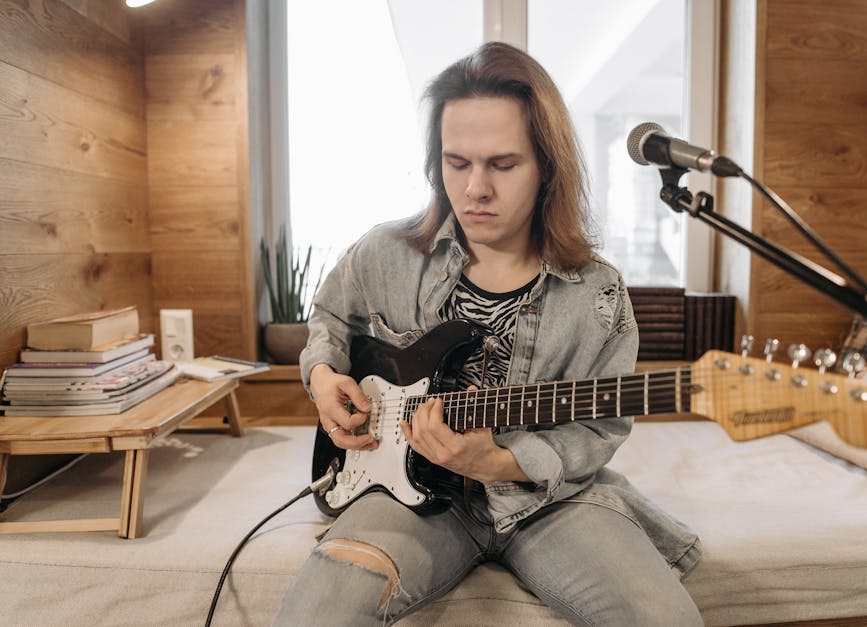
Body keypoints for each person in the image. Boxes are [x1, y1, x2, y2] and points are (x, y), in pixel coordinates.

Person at [275, 42, 702, 626]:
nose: (476, 188)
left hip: (547, 502)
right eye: (457, 163)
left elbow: (601, 426)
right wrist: (324, 378)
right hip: (408, 497)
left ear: (547, 165)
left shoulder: (598, 294)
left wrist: (500, 461)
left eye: (502, 165)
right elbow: (329, 318)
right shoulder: (386, 253)